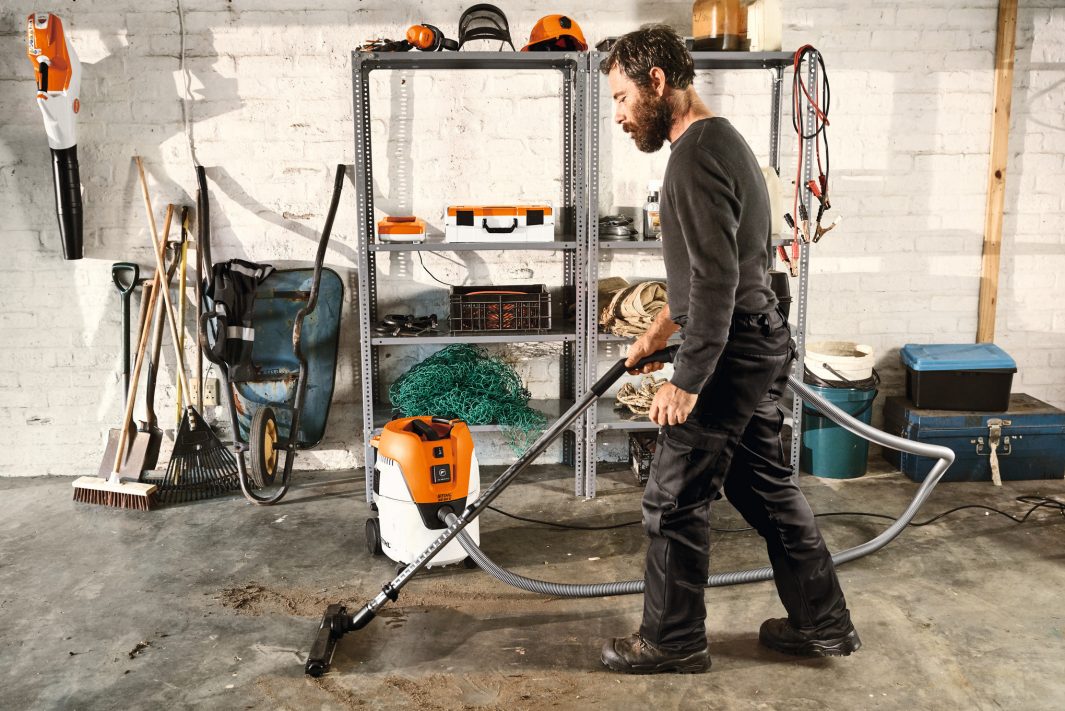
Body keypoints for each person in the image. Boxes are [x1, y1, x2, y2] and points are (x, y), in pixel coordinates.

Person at [598, 25, 860, 675]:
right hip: (753, 336)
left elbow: (716, 281)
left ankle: (672, 640)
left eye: (623, 96)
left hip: (730, 348)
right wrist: (656, 334)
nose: (619, 113)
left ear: (657, 82)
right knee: (762, 486)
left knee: (673, 494)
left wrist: (684, 380)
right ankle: (822, 623)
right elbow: (717, 271)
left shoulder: (693, 156)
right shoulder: (722, 143)